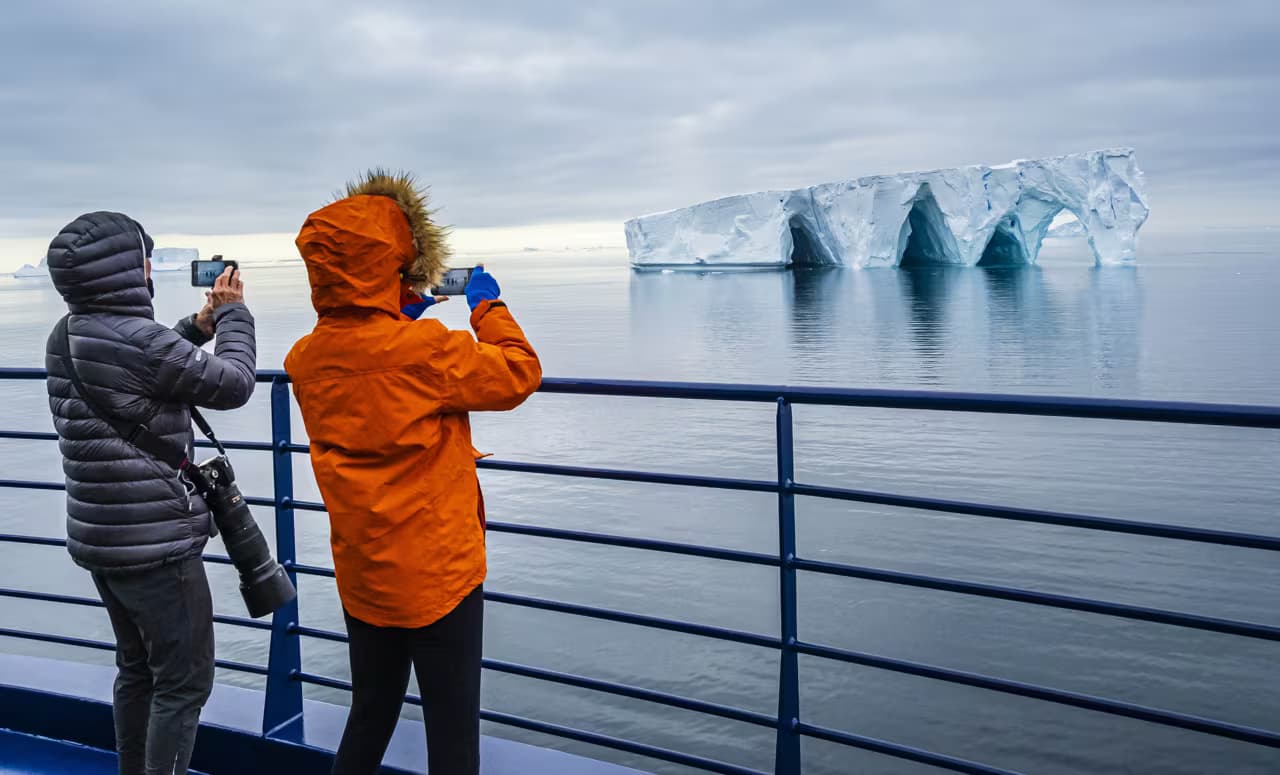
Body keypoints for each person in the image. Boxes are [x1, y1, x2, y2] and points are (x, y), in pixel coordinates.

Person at [285, 171, 541, 775]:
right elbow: (519, 373)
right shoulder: (428, 352)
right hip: (437, 574)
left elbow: (368, 371)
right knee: (453, 731)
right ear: (397, 265)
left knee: (371, 709)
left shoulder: (305, 358)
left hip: (365, 570)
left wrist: (396, 315)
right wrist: (488, 305)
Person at [44, 211, 257, 775]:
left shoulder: (68, 333)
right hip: (155, 546)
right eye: (143, 255)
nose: (148, 266)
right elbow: (233, 384)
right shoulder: (135, 341)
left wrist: (196, 326)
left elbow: (139, 368)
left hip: (104, 539)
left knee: (137, 669)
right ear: (122, 268)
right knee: (185, 683)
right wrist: (234, 316)